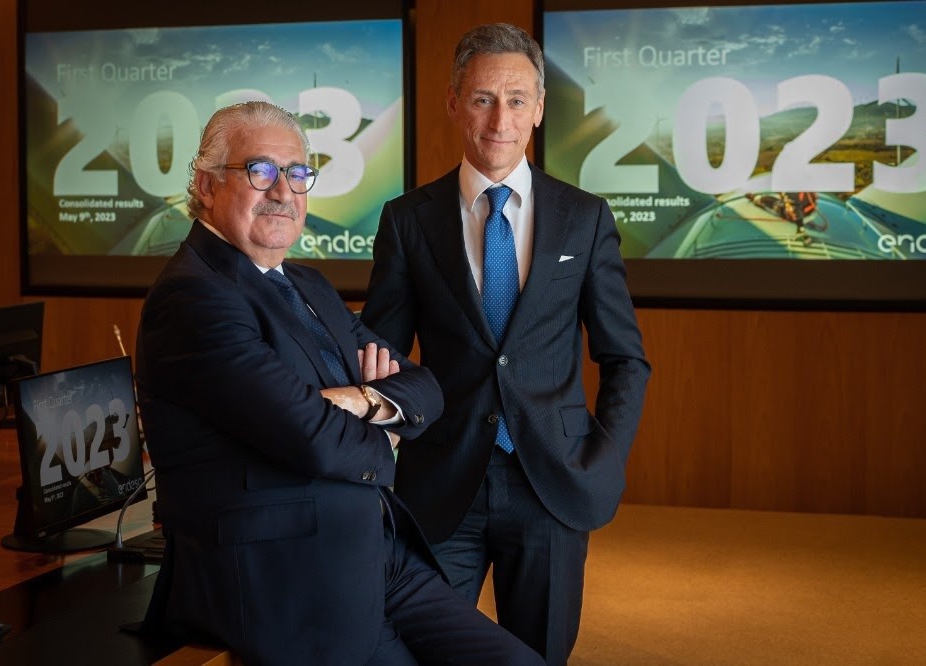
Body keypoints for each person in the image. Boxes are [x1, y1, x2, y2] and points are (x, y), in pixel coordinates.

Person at [135, 101, 542, 665]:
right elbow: (311, 436)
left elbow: (424, 387)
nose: (283, 191)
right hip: (290, 583)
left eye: (297, 173)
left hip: (378, 555)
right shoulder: (194, 297)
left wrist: (361, 400)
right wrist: (387, 432)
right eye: (260, 171)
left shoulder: (306, 284)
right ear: (206, 185)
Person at [360, 23, 651, 665]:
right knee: (422, 650)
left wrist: (604, 460)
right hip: (440, 481)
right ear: (454, 103)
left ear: (539, 108)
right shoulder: (407, 220)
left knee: (538, 656)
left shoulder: (584, 217)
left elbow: (625, 358)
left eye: (517, 100)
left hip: (552, 482)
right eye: (483, 99)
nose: (501, 119)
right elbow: (382, 354)